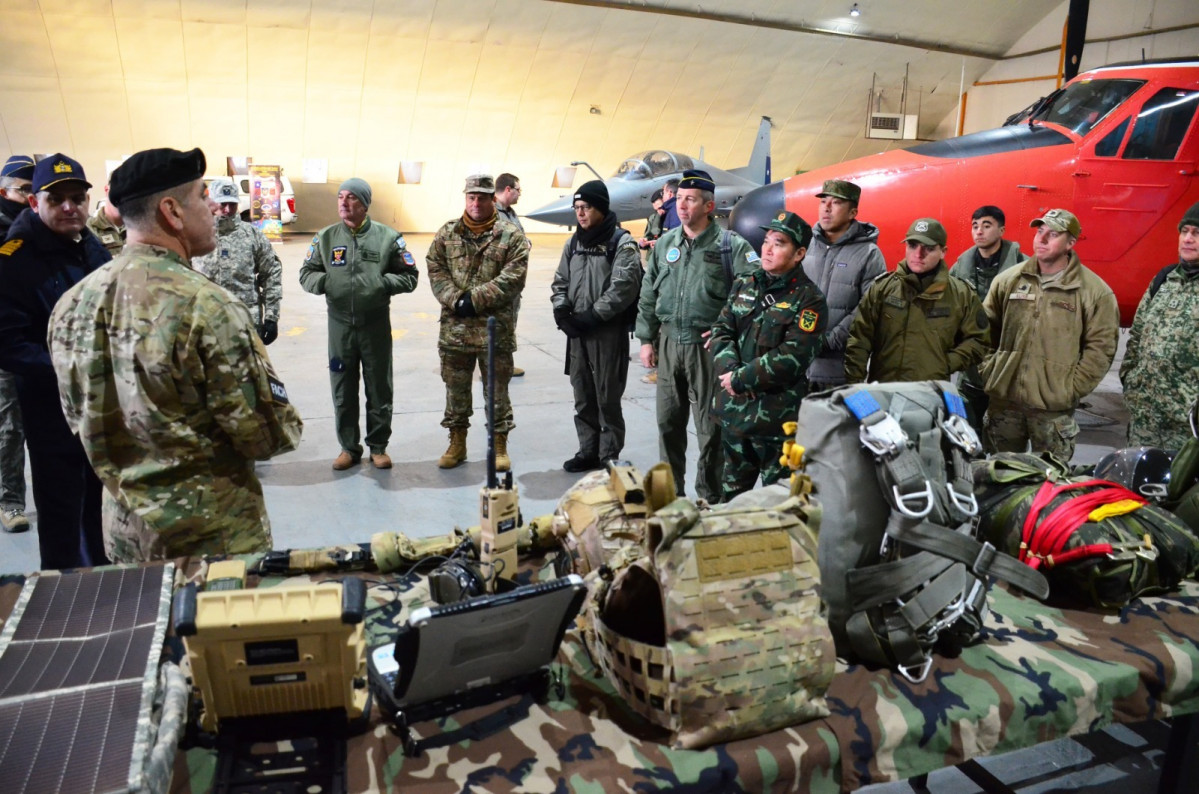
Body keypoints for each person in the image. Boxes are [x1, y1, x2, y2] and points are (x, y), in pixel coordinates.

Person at [48, 146, 303, 563]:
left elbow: (77, 415)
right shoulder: (207, 307)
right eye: (202, 196)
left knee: (146, 628)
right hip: (211, 543)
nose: (212, 207)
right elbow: (266, 434)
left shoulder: (73, 304)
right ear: (173, 211)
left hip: (125, 536)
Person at [0, 154, 110, 568]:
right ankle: (66, 595)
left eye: (77, 198)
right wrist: (73, 368)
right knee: (62, 507)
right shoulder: (14, 259)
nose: (69, 207)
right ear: (34, 203)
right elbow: (9, 344)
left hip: (100, 404)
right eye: (56, 199)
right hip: (52, 407)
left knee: (102, 505)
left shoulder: (89, 245)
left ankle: (106, 581)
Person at [635, 169, 757, 502]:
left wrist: (727, 338)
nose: (682, 205)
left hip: (710, 351)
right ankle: (671, 497)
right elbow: (649, 291)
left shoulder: (732, 247)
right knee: (667, 424)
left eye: (690, 200)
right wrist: (646, 338)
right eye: (679, 199)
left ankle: (709, 498)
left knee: (711, 430)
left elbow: (752, 302)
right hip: (670, 343)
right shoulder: (666, 244)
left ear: (709, 205)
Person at [299, 178, 419, 470]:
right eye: (341, 197)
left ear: (365, 204)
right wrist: (327, 282)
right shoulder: (325, 238)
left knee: (379, 388)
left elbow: (410, 276)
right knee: (342, 389)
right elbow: (306, 273)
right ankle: (348, 448)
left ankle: (378, 447)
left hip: (374, 325)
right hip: (339, 327)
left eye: (351, 197)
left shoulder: (388, 237)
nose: (343, 202)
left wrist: (380, 283)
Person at [981, 209, 1119, 461]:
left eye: (1052, 234)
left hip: (1053, 412)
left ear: (1070, 243)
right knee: (999, 480)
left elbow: (1101, 348)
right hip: (1004, 405)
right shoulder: (1008, 280)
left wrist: (1070, 388)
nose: (1041, 239)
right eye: (1039, 232)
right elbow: (984, 331)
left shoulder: (1094, 292)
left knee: (1050, 483)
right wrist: (991, 369)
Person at [710, 211, 826, 500]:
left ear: (799, 253)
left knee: (779, 505)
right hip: (734, 416)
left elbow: (794, 356)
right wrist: (730, 372)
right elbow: (721, 330)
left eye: (779, 243)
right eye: (766, 241)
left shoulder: (809, 300)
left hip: (776, 423)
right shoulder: (744, 283)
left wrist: (741, 379)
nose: (768, 249)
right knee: (732, 503)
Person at [426, 174, 529, 471]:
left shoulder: (511, 235)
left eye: (482, 197)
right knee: (455, 389)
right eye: (471, 197)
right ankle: (456, 443)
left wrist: (475, 299)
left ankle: (498, 446)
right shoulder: (447, 233)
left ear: (492, 199)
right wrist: (455, 299)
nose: (475, 203)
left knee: (497, 391)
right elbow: (435, 268)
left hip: (494, 331)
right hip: (455, 330)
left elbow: (513, 277)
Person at [551, 180, 642, 472]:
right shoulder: (574, 243)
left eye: (586, 207)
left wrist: (592, 316)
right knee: (582, 393)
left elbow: (622, 288)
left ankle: (609, 455)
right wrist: (562, 311)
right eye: (577, 207)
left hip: (606, 332)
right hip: (577, 332)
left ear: (601, 208)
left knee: (607, 396)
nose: (581, 213)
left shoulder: (621, 243)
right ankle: (587, 450)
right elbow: (560, 281)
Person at [845, 218, 988, 384]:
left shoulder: (961, 295)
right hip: (885, 391)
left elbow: (979, 340)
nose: (918, 254)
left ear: (943, 251)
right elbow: (859, 339)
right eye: (912, 246)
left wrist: (945, 364)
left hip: (930, 393)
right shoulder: (882, 289)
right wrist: (854, 386)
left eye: (928, 248)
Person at [1120, 201, 1199, 449]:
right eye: (1184, 232)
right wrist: (1131, 380)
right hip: (1145, 421)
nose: (1187, 239)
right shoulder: (1164, 280)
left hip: (1188, 431)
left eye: (1197, 234)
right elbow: (1137, 337)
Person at [802, 179, 886, 390]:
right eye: (823, 201)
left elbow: (870, 306)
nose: (827, 208)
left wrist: (831, 340)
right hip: (798, 365)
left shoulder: (869, 254)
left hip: (840, 370)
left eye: (836, 203)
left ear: (852, 213)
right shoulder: (806, 245)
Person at [949, 205, 1025, 429]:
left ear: (1001, 230)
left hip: (1009, 372)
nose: (979, 231)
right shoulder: (960, 269)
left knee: (1006, 442)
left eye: (986, 225)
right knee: (967, 433)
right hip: (972, 371)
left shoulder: (1024, 268)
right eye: (975, 226)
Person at [193, 177, 283, 345]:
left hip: (245, 323)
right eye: (222, 204)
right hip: (205, 324)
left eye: (232, 204)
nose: (227, 210)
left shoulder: (252, 235)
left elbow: (271, 272)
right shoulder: (196, 236)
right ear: (210, 202)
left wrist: (271, 316)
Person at [0, 155, 35, 533]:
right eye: (20, 189)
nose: (26, 196)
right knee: (9, 428)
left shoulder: (43, 228)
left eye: (31, 190)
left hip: (39, 342)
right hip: (7, 343)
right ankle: (10, 502)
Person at [495, 172, 528, 377]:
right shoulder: (492, 212)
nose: (519, 194)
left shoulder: (510, 213)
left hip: (513, 281)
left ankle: (505, 364)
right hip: (500, 281)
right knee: (497, 324)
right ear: (508, 189)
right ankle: (493, 366)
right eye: (518, 190)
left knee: (509, 323)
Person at [85, 180, 127, 257]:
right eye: (119, 191)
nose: (124, 198)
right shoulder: (89, 229)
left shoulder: (140, 226)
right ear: (107, 190)